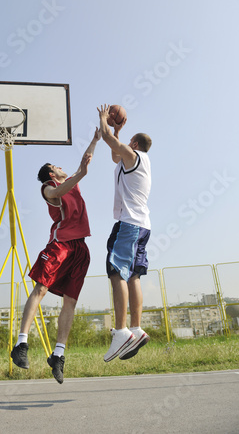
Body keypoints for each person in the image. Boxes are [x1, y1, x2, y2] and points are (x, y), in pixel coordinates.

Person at [11, 128, 101, 383]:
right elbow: (56, 194)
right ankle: (21, 344)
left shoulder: (70, 182)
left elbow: (84, 164)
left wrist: (94, 139)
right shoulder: (49, 187)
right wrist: (80, 173)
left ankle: (58, 355)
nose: (63, 168)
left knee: (70, 302)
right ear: (52, 173)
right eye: (57, 166)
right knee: (40, 289)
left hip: (80, 249)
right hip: (60, 245)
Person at [97, 104, 152, 362]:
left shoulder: (134, 156)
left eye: (129, 142)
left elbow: (108, 141)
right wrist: (117, 130)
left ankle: (121, 332)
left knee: (115, 269)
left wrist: (103, 121)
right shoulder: (134, 161)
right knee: (133, 276)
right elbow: (113, 154)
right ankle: (136, 328)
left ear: (135, 145)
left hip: (129, 224)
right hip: (141, 225)